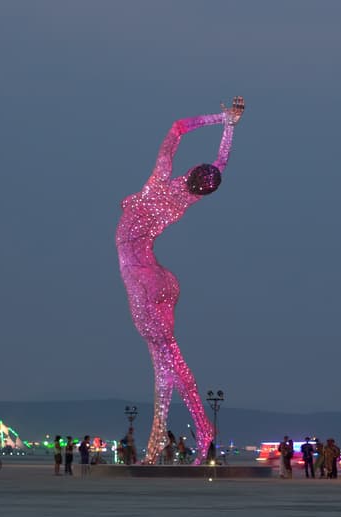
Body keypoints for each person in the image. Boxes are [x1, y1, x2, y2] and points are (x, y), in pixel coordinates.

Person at [117, 97, 246, 464]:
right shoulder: (185, 200)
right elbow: (221, 165)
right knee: (163, 366)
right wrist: (231, 128)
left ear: (189, 172)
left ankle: (202, 431)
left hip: (143, 277)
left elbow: (177, 128)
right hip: (160, 280)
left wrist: (221, 118)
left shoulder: (159, 184)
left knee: (171, 364)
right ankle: (158, 444)